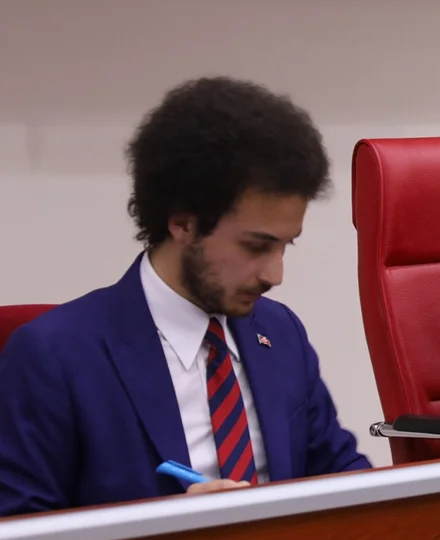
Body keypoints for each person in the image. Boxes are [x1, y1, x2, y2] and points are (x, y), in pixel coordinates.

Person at [0, 77, 371, 517]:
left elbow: (342, 475)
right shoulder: (54, 355)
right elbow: (21, 531)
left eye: (284, 246)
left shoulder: (279, 331)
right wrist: (168, 530)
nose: (275, 275)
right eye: (255, 246)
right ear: (182, 223)